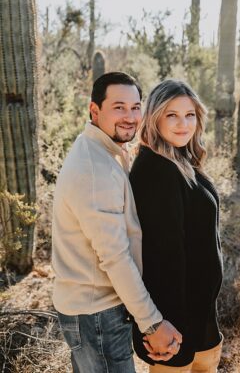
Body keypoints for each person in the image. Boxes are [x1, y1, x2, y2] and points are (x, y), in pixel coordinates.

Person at [53, 72, 182, 372]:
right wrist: (152, 323)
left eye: (136, 107)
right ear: (94, 110)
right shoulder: (96, 168)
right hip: (97, 314)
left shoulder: (101, 150)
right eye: (119, 107)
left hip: (91, 310)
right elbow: (115, 257)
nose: (130, 116)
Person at [130, 80, 224, 372]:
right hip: (175, 329)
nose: (183, 124)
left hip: (203, 319)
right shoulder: (155, 170)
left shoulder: (181, 160)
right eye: (172, 115)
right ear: (155, 118)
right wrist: (159, 327)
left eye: (190, 115)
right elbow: (162, 260)